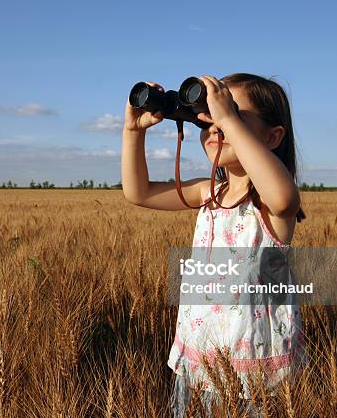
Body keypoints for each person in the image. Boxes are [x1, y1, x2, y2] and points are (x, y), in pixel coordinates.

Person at [121, 73, 308, 417]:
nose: (215, 126)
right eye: (207, 116)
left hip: (256, 372)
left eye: (233, 113)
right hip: (199, 360)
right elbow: (139, 192)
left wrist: (226, 119)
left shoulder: (269, 205)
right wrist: (133, 132)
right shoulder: (209, 192)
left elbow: (283, 196)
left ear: (273, 136)